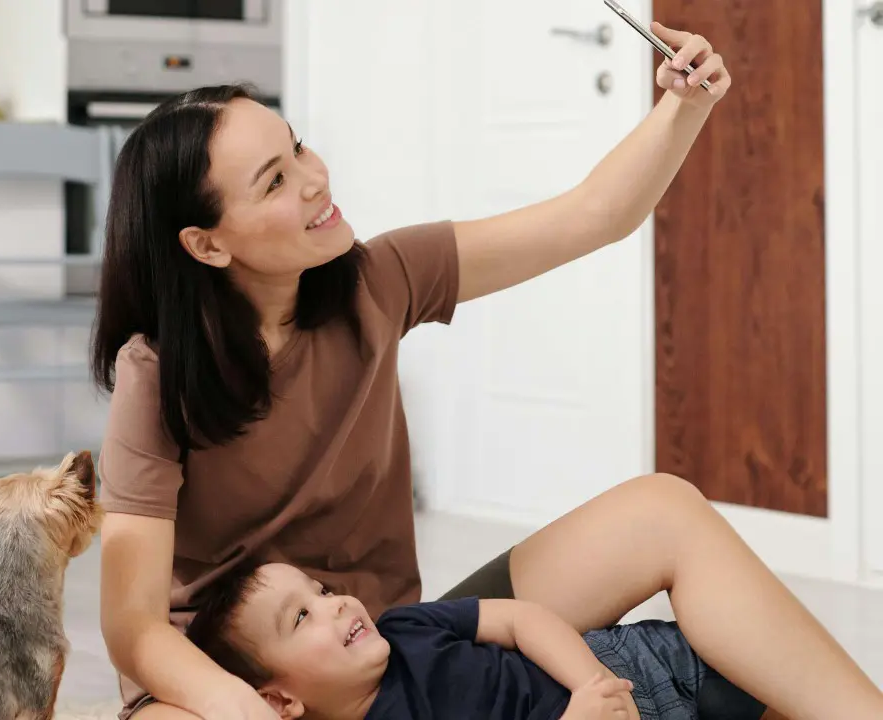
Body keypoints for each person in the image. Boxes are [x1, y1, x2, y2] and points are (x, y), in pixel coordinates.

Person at [90, 19, 882, 720]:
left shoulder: (383, 277)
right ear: (207, 244)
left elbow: (594, 215)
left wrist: (687, 104)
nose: (314, 177)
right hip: (230, 678)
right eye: (273, 180)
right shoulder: (155, 374)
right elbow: (132, 627)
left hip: (389, 644)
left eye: (296, 146)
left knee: (663, 510)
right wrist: (238, 706)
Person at [185, 560, 795, 720]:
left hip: (628, 668)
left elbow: (520, 621)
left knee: (795, 693)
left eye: (319, 590)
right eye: (301, 618)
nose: (335, 603)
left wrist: (590, 682)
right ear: (280, 702)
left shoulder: (404, 627)